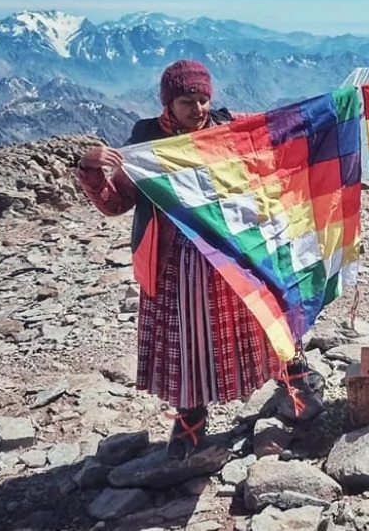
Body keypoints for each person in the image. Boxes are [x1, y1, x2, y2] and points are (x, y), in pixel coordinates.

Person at [75, 59, 282, 460]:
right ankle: (190, 421)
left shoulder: (225, 128)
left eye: (204, 99)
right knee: (186, 340)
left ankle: (293, 381)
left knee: (257, 317)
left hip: (226, 253)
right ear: (168, 103)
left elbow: (273, 130)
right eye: (188, 101)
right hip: (173, 262)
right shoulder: (145, 142)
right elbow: (115, 203)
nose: (199, 109)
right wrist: (90, 167)